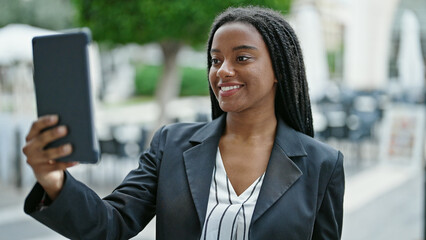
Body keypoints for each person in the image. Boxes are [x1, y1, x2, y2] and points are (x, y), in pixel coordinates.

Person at [23, 6, 344, 240]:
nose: (222, 71)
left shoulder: (322, 164)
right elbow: (111, 224)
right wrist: (54, 181)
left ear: (279, 71)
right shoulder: (171, 145)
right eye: (216, 60)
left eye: (241, 58)